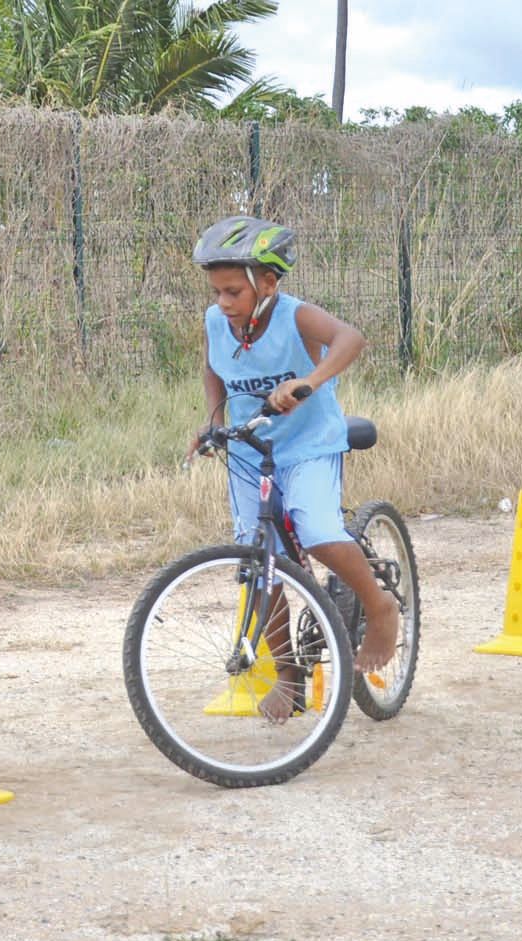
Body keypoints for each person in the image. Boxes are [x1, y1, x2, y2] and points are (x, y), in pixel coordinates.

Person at [189, 214, 399, 721]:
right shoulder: (217, 322)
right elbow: (214, 367)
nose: (223, 302)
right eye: (217, 291)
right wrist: (211, 419)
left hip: (307, 445)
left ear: (268, 282)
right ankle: (288, 673)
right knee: (259, 565)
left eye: (234, 291)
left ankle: (379, 608)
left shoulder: (294, 316)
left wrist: (310, 379)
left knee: (318, 529)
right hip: (249, 451)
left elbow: (350, 338)